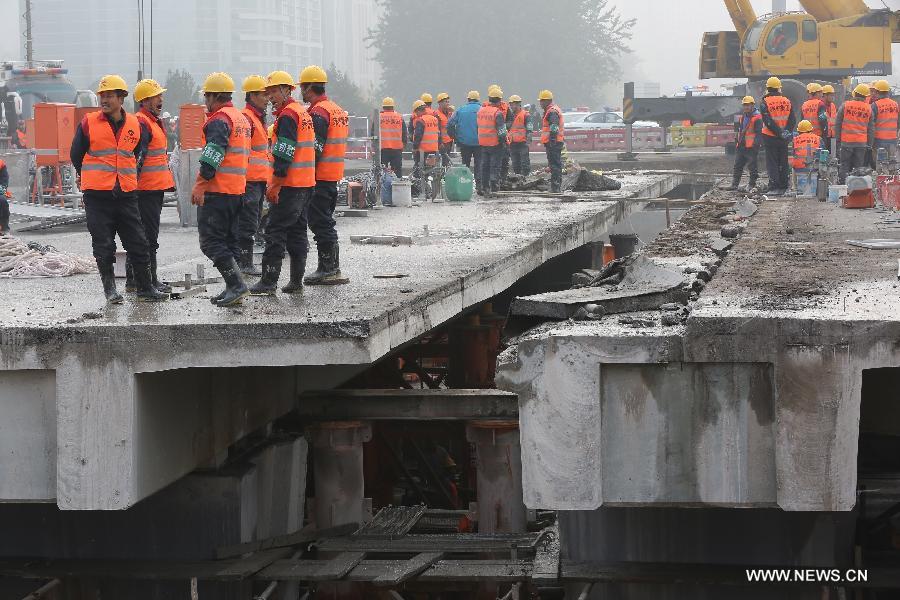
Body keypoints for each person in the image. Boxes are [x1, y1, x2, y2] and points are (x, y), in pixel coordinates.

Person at [70, 75, 165, 304]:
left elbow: (135, 155)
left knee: (138, 242)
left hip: (126, 194)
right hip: (97, 196)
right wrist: (90, 177)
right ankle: (111, 291)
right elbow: (76, 155)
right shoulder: (88, 123)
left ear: (121, 98)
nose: (105, 99)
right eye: (102, 95)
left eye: (110, 95)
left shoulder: (134, 124)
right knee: (103, 245)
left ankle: (144, 288)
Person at [249, 70, 316, 296]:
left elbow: (283, 155)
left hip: (290, 185)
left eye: (274, 91)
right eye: (267, 93)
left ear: (287, 90)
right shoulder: (302, 113)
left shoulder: (288, 116)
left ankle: (268, 282)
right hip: (306, 184)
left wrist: (275, 185)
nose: (270, 97)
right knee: (297, 232)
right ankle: (296, 281)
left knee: (275, 231)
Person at [190, 72, 251, 307]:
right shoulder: (240, 118)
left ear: (214, 96)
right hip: (237, 191)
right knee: (230, 241)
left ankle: (236, 285)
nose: (206, 101)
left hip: (218, 191)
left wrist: (200, 185)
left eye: (207, 96)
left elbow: (213, 154)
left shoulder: (219, 119)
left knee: (211, 242)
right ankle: (233, 288)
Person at [298, 65, 350, 286]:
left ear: (309, 87)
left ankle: (328, 268)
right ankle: (331, 266)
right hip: (333, 174)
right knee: (325, 221)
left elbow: (314, 149)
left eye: (302, 86)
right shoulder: (336, 109)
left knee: (320, 222)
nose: (301, 91)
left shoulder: (318, 113)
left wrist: (304, 175)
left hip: (319, 176)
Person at [130, 78, 176, 294]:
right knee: (147, 237)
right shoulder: (142, 123)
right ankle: (147, 281)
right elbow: (137, 159)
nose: (161, 99)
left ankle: (139, 280)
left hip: (152, 188)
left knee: (144, 236)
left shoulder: (151, 121)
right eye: (156, 96)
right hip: (145, 190)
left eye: (161, 95)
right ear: (145, 100)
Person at [237, 74, 273, 276]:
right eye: (263, 94)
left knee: (253, 220)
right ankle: (244, 262)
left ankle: (244, 262)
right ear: (251, 95)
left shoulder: (257, 119)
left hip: (257, 180)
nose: (267, 98)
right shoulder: (247, 119)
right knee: (247, 222)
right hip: (249, 181)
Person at [758, 76, 795, 195]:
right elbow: (792, 120)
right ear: (779, 88)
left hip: (770, 137)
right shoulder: (787, 101)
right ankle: (784, 186)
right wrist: (786, 133)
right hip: (783, 138)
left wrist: (778, 133)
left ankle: (774, 187)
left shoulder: (764, 102)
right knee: (783, 161)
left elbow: (768, 122)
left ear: (768, 88)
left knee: (772, 162)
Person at [835, 83, 875, 184]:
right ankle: (856, 188)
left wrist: (838, 139)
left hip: (846, 142)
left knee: (844, 166)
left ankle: (843, 187)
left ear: (855, 93)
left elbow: (838, 123)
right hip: (861, 143)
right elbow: (871, 129)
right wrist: (869, 144)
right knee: (858, 168)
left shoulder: (845, 105)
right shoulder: (868, 108)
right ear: (865, 96)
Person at [726, 96, 762, 191]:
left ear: (752, 105)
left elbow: (759, 133)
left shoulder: (757, 118)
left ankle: (752, 184)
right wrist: (737, 141)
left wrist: (756, 145)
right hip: (742, 145)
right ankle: (734, 184)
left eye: (748, 105)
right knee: (737, 165)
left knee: (752, 166)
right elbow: (741, 130)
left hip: (751, 146)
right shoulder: (743, 117)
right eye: (745, 105)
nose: (746, 107)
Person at [448, 91, 482, 188]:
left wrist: (455, 137)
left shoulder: (460, 110)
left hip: (464, 143)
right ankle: (479, 185)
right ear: (478, 99)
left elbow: (450, 124)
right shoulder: (482, 110)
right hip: (479, 142)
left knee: (465, 165)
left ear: (468, 99)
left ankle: (464, 185)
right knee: (479, 164)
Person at [477, 90, 507, 197]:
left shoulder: (481, 111)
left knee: (484, 166)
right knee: (495, 166)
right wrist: (503, 142)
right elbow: (501, 131)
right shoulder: (497, 113)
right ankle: (494, 188)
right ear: (499, 101)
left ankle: (485, 187)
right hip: (495, 144)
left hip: (483, 143)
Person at [539, 89, 565, 193]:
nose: (540, 103)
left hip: (553, 142)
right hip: (554, 142)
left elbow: (554, 126)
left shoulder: (552, 112)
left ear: (546, 101)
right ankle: (556, 187)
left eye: (541, 101)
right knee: (554, 165)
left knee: (555, 165)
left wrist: (552, 140)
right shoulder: (552, 110)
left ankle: (556, 188)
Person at [872, 79, 899, 170]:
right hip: (892, 139)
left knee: (880, 163)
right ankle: (891, 180)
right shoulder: (895, 104)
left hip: (879, 139)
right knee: (892, 162)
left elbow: (871, 123)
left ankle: (881, 181)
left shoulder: (875, 105)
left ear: (877, 91)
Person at [379, 97, 406, 177]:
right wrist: (404, 144)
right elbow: (404, 132)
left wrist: (374, 146)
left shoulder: (379, 117)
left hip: (383, 149)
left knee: (382, 172)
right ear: (393, 107)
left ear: (383, 107)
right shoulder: (399, 117)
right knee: (397, 171)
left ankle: (383, 188)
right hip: (397, 149)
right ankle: (398, 188)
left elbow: (374, 133)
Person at [507, 95, 532, 176]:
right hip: (512, 143)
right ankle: (518, 178)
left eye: (512, 104)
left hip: (522, 143)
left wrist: (529, 136)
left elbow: (529, 127)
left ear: (518, 104)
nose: (511, 106)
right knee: (515, 163)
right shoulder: (509, 115)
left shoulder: (525, 115)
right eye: (510, 104)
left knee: (524, 162)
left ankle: (525, 177)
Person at [411, 100, 440, 169]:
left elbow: (418, 135)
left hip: (423, 151)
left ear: (418, 110)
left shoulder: (421, 120)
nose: (416, 114)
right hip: (434, 149)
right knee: (432, 169)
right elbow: (438, 134)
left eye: (415, 112)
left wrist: (415, 148)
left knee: (419, 169)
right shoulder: (435, 119)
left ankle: (418, 179)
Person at [801, 83, 828, 147]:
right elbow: (823, 120)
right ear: (817, 93)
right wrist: (825, 134)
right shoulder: (820, 104)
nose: (822, 95)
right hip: (818, 136)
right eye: (821, 92)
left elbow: (802, 121)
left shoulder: (804, 105)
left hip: (807, 136)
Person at [436, 92, 453, 166]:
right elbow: (437, 130)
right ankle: (440, 176)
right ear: (440, 103)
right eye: (446, 102)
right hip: (442, 143)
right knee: (441, 162)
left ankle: (445, 176)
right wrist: (440, 143)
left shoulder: (449, 113)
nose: (448, 103)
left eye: (448, 101)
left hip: (449, 141)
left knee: (446, 163)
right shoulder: (437, 115)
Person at [822, 84, 838, 153]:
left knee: (833, 155)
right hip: (824, 135)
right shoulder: (821, 105)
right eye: (831, 95)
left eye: (833, 95)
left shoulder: (833, 105)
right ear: (825, 95)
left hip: (833, 136)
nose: (833, 97)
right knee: (824, 155)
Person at [0, 158, 10, 233]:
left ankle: (4, 227)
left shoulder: (1, 164)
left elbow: (4, 181)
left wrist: (2, 189)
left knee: (2, 200)